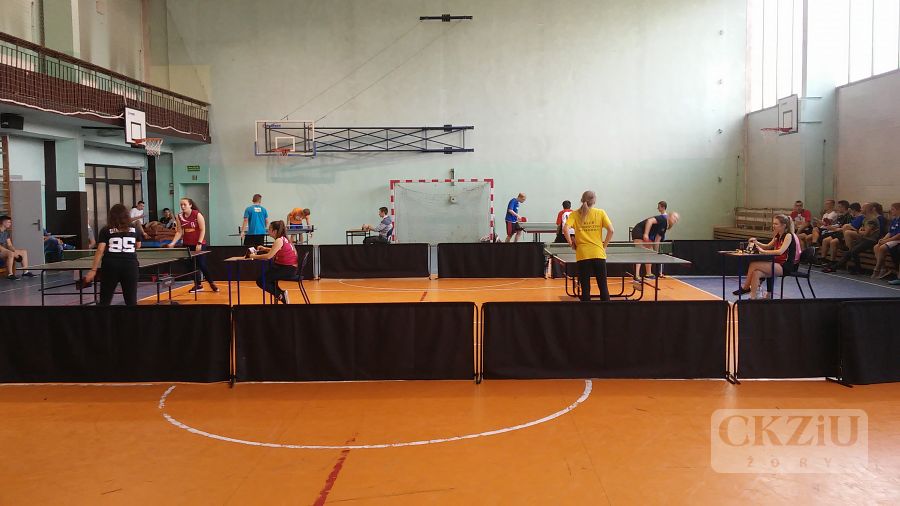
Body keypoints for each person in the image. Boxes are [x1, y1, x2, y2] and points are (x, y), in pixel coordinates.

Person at [82, 204, 142, 306]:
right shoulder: (135, 229)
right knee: (131, 301)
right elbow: (138, 245)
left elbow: (100, 250)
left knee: (105, 300)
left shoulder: (105, 230)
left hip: (110, 266)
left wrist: (93, 270)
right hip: (130, 266)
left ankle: (104, 317)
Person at [732, 214, 799, 299]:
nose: (773, 226)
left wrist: (763, 252)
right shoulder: (777, 235)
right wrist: (756, 242)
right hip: (777, 263)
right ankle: (753, 298)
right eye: (773, 223)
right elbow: (767, 246)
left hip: (785, 266)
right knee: (756, 273)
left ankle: (745, 288)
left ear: (784, 225)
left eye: (776, 224)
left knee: (753, 265)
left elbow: (780, 251)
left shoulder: (788, 236)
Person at [564, 191, 615, 301]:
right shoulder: (600, 213)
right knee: (603, 286)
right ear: (594, 200)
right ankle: (606, 310)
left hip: (582, 254)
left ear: (582, 200)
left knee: (585, 288)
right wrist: (604, 246)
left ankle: (586, 310)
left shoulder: (574, 214)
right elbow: (611, 230)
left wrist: (571, 243)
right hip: (598, 253)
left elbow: (565, 229)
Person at [167, 198, 218, 292]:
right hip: (187, 244)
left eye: (184, 204)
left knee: (201, 264)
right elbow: (179, 232)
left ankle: (211, 282)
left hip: (199, 244)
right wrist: (173, 242)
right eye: (181, 205)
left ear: (190, 205)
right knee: (190, 266)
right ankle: (198, 285)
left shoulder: (197, 214)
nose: (182, 206)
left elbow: (202, 229)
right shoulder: (179, 216)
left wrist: (199, 242)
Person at [823, 203, 882, 275]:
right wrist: (861, 231)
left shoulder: (872, 220)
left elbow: (866, 233)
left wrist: (859, 231)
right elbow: (863, 231)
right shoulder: (865, 219)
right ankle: (836, 267)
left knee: (853, 251)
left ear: (867, 209)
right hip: (864, 239)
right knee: (850, 252)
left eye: (863, 208)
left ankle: (855, 269)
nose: (861, 209)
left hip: (870, 240)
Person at [248, 221, 297, 304]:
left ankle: (280, 294)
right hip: (288, 268)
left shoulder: (279, 240)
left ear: (275, 231)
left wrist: (252, 256)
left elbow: (268, 256)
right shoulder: (283, 238)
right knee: (267, 277)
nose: (268, 230)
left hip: (288, 270)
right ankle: (281, 294)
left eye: (269, 229)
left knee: (261, 281)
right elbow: (276, 250)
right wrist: (264, 248)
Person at [631, 211, 680, 280]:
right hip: (638, 231)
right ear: (669, 216)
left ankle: (648, 274)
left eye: (677, 219)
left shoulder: (664, 227)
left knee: (650, 252)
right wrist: (646, 234)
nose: (675, 219)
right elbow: (649, 221)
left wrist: (656, 252)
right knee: (640, 253)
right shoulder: (662, 219)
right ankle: (636, 275)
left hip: (645, 235)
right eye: (674, 217)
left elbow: (657, 240)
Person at [0, 215, 34, 280]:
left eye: (10, 222)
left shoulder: (6, 232)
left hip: (4, 251)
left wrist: (14, 250)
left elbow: (9, 245)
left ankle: (25, 272)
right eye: (8, 222)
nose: (10, 224)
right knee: (10, 253)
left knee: (23, 252)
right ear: (3, 222)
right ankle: (10, 274)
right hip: (1, 251)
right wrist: (13, 254)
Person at [872, 202, 900, 280]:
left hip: (897, 240)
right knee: (876, 247)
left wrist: (886, 241)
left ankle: (877, 269)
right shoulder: (894, 220)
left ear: (898, 210)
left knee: (882, 248)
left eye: (893, 209)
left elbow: (898, 235)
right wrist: (883, 239)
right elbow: (890, 232)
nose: (891, 211)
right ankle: (883, 268)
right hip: (893, 239)